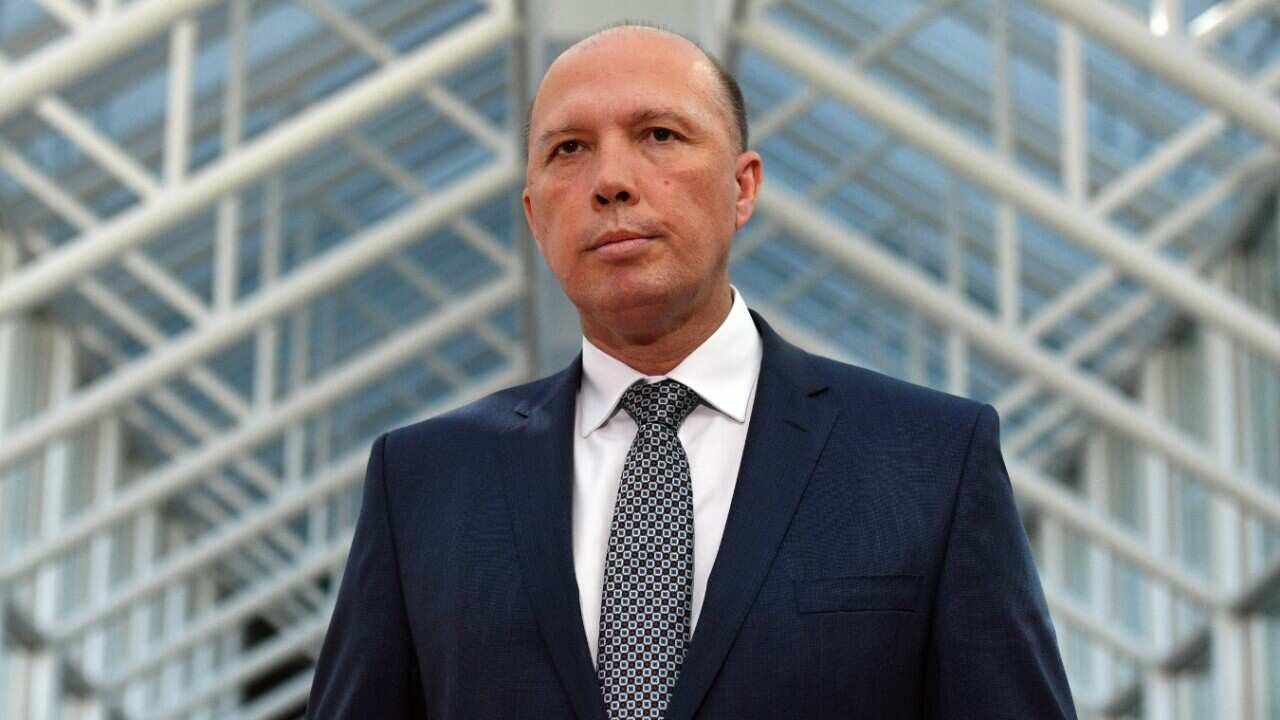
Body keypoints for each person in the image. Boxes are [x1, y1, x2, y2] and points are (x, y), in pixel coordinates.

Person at [306, 24, 1077, 720]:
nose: (612, 179)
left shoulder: (929, 461)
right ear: (536, 217)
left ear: (743, 187)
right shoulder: (424, 484)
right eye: (568, 149)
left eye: (659, 135)